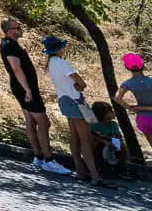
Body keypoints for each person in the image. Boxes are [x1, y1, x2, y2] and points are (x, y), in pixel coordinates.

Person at [0, 17, 69, 174]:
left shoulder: (11, 44)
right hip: (25, 88)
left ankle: (38, 157)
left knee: (31, 121)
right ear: (9, 31)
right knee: (44, 122)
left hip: (23, 87)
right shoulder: (9, 46)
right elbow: (16, 69)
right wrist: (28, 90)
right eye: (17, 27)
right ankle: (49, 160)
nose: (20, 29)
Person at [46, 36, 108, 187]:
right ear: (59, 49)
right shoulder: (62, 63)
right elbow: (80, 82)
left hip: (64, 100)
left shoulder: (50, 63)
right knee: (86, 139)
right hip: (75, 101)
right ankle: (95, 175)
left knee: (74, 137)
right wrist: (82, 86)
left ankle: (81, 170)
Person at [114, 52, 152, 158]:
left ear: (128, 68)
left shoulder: (128, 83)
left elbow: (117, 98)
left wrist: (131, 108)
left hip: (143, 119)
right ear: (143, 66)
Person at [90, 101, 129, 176]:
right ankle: (98, 166)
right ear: (103, 114)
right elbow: (92, 135)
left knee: (122, 146)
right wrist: (104, 141)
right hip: (100, 143)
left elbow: (118, 137)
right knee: (95, 145)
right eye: (111, 111)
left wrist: (108, 139)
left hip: (111, 142)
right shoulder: (94, 125)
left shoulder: (113, 124)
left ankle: (122, 167)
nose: (113, 112)